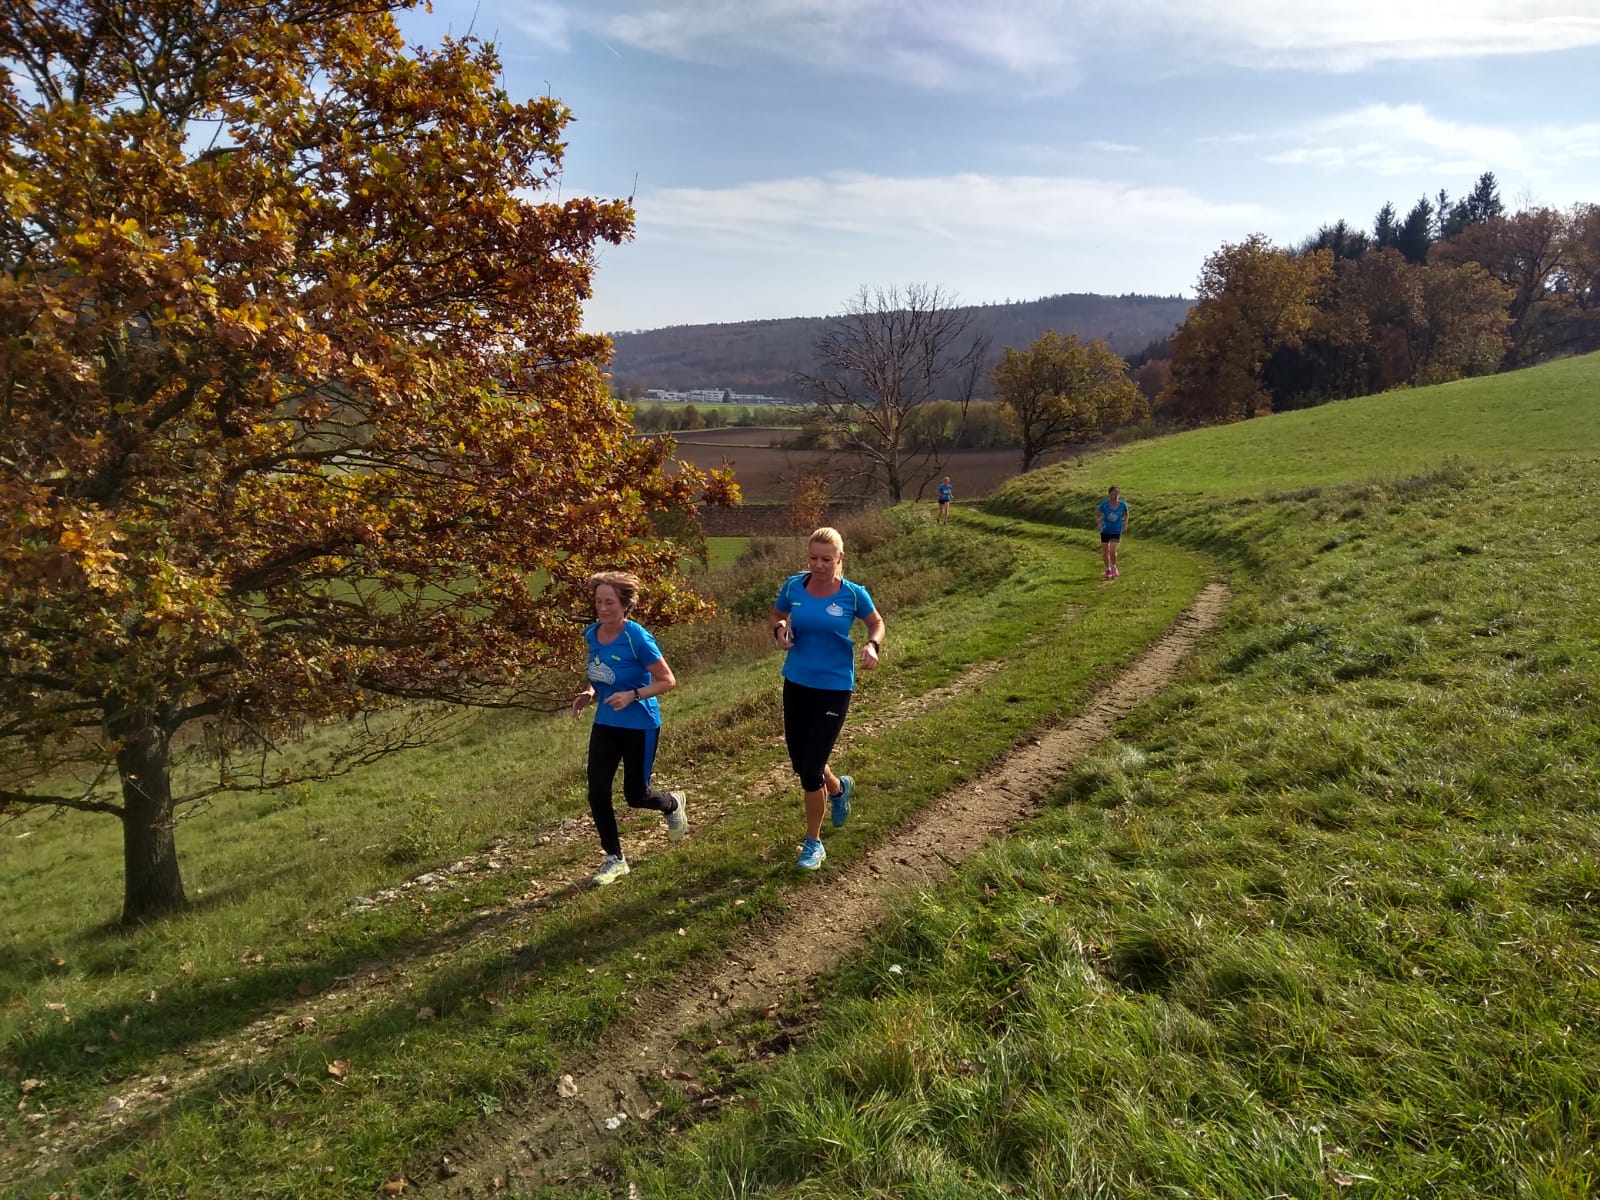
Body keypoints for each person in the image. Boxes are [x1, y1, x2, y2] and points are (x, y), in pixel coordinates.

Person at [770, 527, 886, 870]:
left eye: (826, 559)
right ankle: (838, 789)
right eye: (813, 558)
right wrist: (780, 630)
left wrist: (872, 645)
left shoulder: (853, 594)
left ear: (840, 558)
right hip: (797, 682)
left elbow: (876, 623)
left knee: (809, 771)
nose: (818, 565)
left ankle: (813, 843)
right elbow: (776, 614)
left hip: (834, 687)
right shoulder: (794, 586)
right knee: (804, 762)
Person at [569, 571, 687, 886]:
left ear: (625, 605)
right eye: (598, 602)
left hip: (640, 723)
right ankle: (615, 858)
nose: (603, 608)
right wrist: (589, 693)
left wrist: (633, 695)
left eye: (610, 602)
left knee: (636, 795)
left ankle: (672, 803)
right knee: (597, 791)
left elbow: (667, 680)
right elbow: (600, 673)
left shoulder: (637, 637)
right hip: (606, 723)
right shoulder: (592, 634)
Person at [1097, 485, 1129, 579]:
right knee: (1105, 551)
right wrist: (1099, 523)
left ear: (1119, 495)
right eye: (1112, 495)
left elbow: (1126, 514)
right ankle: (1108, 569)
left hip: (1116, 530)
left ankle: (1114, 567)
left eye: (1116, 494)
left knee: (1112, 550)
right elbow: (1097, 514)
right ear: (1109, 495)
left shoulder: (1123, 505)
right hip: (1105, 530)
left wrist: (1125, 524)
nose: (1114, 497)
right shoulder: (1104, 504)